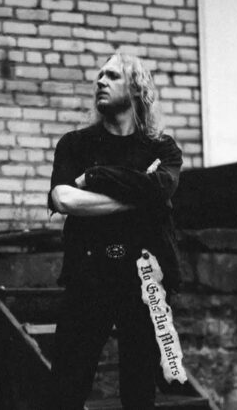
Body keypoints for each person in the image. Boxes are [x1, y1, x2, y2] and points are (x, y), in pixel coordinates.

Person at [47, 52, 183, 409]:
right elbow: (63, 198)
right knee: (65, 388)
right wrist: (139, 197)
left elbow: (161, 189)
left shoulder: (162, 148)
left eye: (112, 76)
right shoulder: (75, 144)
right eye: (99, 75)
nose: (100, 81)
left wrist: (94, 177)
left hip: (144, 278)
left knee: (139, 392)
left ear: (137, 88)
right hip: (88, 274)